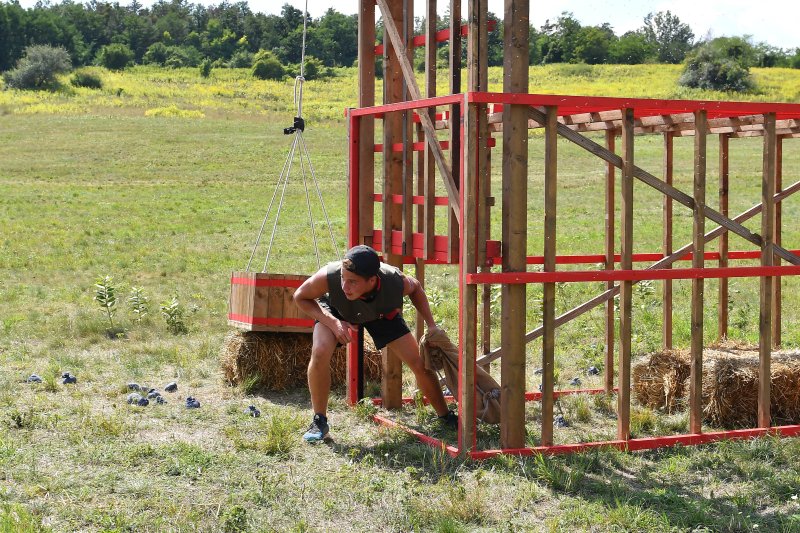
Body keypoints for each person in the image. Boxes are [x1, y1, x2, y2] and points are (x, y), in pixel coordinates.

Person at [293, 244, 457, 442]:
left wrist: (432, 326)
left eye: (353, 282)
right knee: (319, 352)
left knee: (419, 363)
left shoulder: (394, 280)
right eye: (343, 278)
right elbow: (300, 296)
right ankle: (319, 421)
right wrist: (333, 322)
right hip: (336, 311)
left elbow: (417, 289)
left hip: (380, 313)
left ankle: (445, 417)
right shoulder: (329, 275)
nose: (345, 286)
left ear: (372, 280)